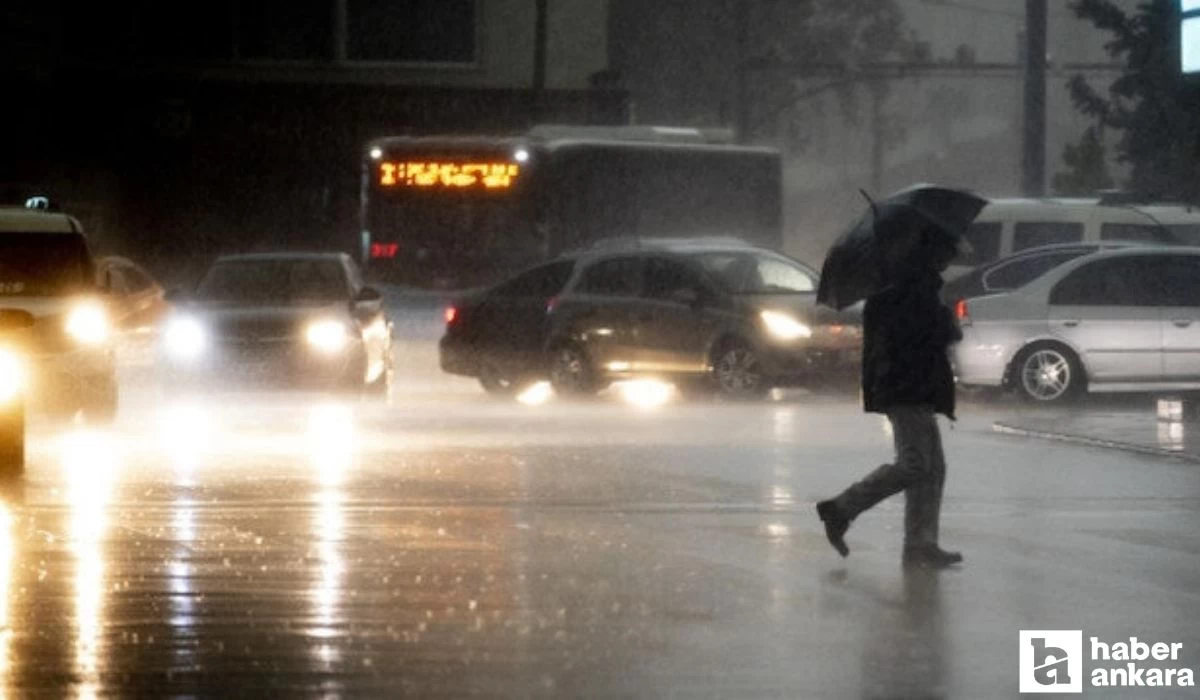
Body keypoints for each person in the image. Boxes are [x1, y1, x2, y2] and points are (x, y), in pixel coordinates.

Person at [816, 224, 964, 569]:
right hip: (906, 387)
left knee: (932, 467)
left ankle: (921, 543)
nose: (949, 260)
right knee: (916, 464)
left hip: (910, 386)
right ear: (932, 253)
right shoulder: (911, 289)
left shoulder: (903, 285)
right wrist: (944, 320)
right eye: (947, 253)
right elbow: (928, 337)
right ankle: (841, 508)